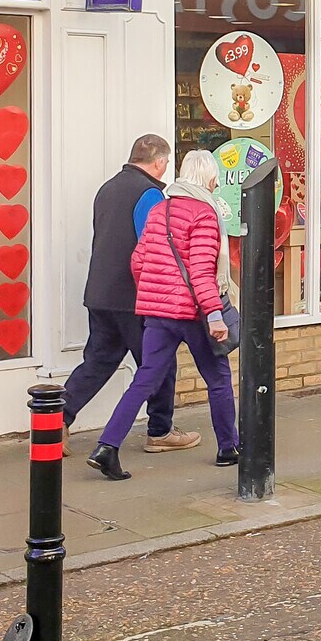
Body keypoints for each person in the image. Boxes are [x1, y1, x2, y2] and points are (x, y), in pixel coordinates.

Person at [88, 149, 238, 478]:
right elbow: (200, 271)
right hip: (193, 313)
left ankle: (107, 447)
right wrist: (214, 315)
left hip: (158, 315)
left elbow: (138, 261)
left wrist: (155, 294)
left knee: (143, 381)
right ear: (210, 178)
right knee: (217, 379)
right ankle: (229, 446)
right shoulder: (205, 214)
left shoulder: (160, 209)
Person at [60, 135, 194, 452]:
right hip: (134, 297)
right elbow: (154, 249)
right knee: (159, 361)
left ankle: (56, 420)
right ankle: (160, 431)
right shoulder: (149, 194)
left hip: (99, 293)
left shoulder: (107, 189)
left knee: (98, 361)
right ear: (160, 162)